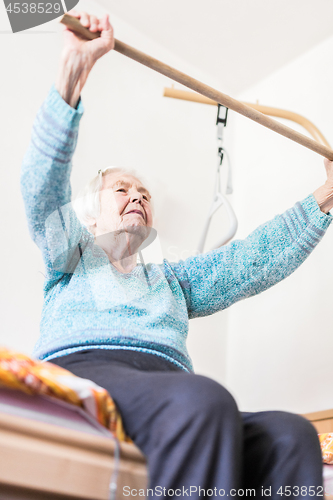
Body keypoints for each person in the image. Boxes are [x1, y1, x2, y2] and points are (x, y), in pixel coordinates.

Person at [21, 11, 333, 499]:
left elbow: (252, 261)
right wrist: (71, 77)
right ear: (91, 218)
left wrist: (329, 194)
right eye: (121, 189)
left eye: (144, 192)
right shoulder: (71, 255)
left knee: (293, 437)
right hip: (87, 372)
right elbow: (41, 190)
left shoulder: (170, 279)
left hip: (165, 387)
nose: (138, 196)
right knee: (204, 400)